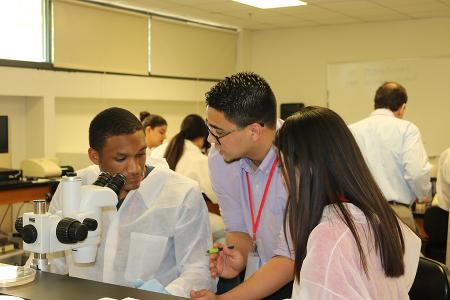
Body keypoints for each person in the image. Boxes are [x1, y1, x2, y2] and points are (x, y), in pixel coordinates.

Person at [48, 107, 213, 297]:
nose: (135, 169)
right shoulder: (72, 188)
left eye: (141, 154)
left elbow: (199, 270)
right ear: (95, 156)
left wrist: (163, 295)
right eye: (121, 158)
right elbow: (53, 261)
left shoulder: (181, 193)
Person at [274, 106, 421, 299]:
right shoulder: (378, 218)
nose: (282, 177)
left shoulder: (330, 236)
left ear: (305, 168)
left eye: (281, 165)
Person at [192, 72, 294, 299]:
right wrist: (238, 255)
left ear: (254, 131)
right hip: (260, 277)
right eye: (209, 129)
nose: (210, 140)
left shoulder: (297, 158)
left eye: (218, 132)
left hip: (306, 280)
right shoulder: (220, 158)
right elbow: (237, 227)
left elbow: (292, 257)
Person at [349, 81, 431, 231]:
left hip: (359, 214)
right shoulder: (407, 129)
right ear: (402, 107)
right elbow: (417, 173)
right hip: (396, 213)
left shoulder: (351, 130)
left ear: (376, 104)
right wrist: (423, 194)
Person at [151, 114, 224, 242]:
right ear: (202, 137)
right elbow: (217, 196)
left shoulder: (158, 151)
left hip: (155, 219)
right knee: (224, 231)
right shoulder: (199, 160)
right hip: (182, 222)